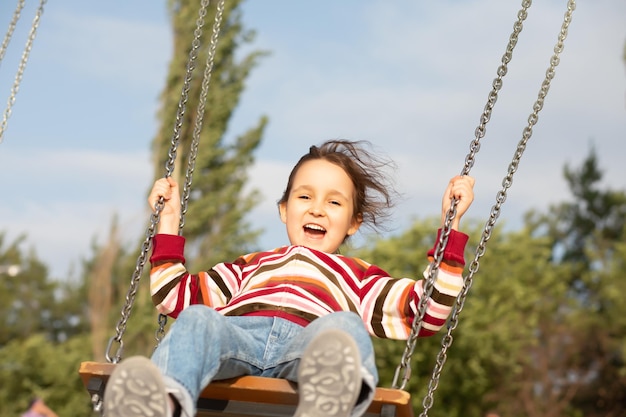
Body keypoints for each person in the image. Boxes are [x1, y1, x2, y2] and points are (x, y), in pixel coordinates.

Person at [104, 139, 475, 417]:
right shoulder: (248, 266)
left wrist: (450, 225)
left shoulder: (359, 277)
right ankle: (160, 402)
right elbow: (174, 296)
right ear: (284, 209)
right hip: (241, 338)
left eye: (334, 202)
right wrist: (168, 222)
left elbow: (426, 310)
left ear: (354, 222)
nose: (317, 208)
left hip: (310, 345)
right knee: (199, 319)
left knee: (344, 326)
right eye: (304, 197)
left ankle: (325, 405)